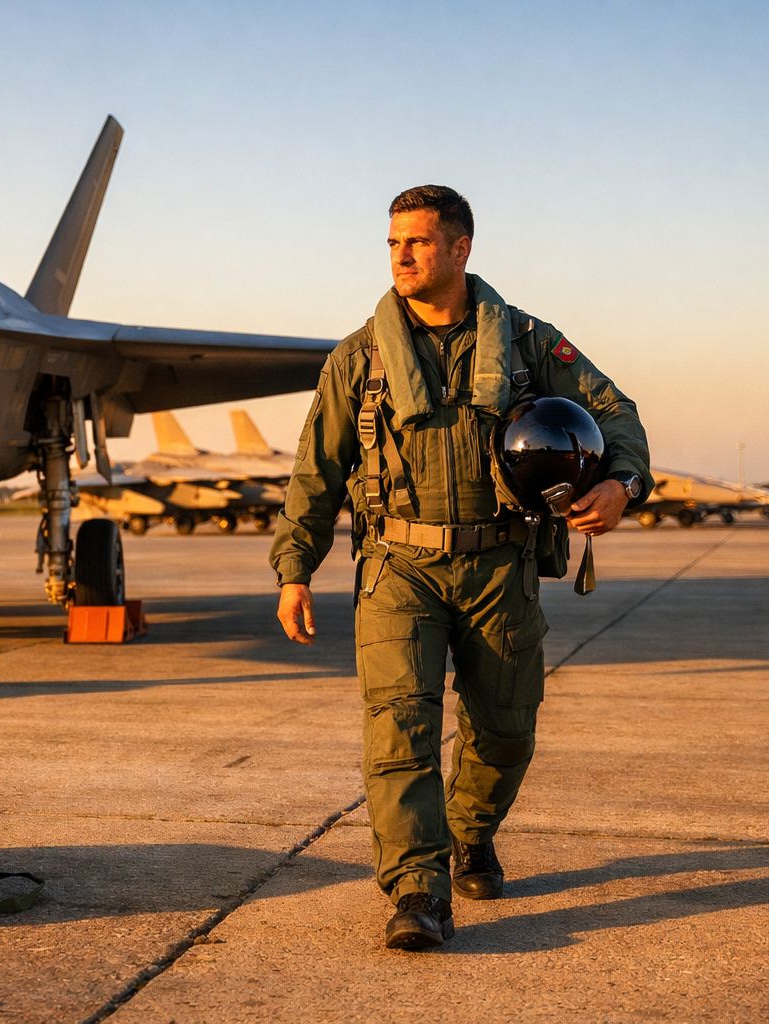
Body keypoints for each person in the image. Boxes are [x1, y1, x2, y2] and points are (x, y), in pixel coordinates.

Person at [269, 185, 650, 950]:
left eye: (417, 241)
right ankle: (418, 888)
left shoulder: (529, 344)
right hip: (398, 567)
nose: (401, 256)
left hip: (499, 566)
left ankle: (471, 829)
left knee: (506, 731)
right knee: (399, 730)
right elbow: (316, 471)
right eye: (392, 243)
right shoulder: (359, 358)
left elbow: (615, 414)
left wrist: (622, 483)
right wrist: (294, 569)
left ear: (460, 248)